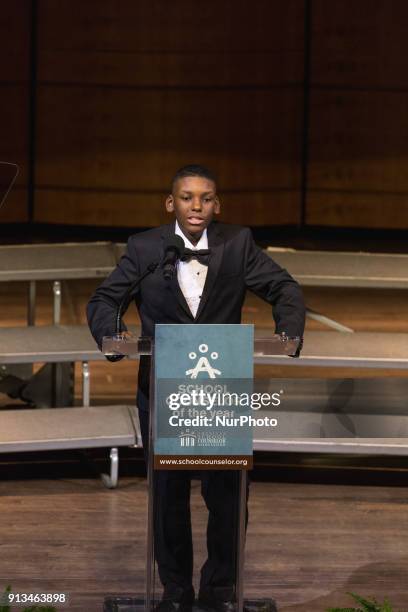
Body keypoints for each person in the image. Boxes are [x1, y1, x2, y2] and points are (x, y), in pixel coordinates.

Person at [87, 164, 305, 612]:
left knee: (227, 495)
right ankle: (175, 593)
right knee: (167, 495)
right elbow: (105, 299)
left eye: (205, 198)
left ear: (216, 205)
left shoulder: (238, 242)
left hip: (221, 389)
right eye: (187, 198)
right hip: (165, 387)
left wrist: (289, 332)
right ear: (172, 203)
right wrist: (113, 336)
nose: (196, 206)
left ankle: (220, 591)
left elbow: (284, 287)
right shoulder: (145, 247)